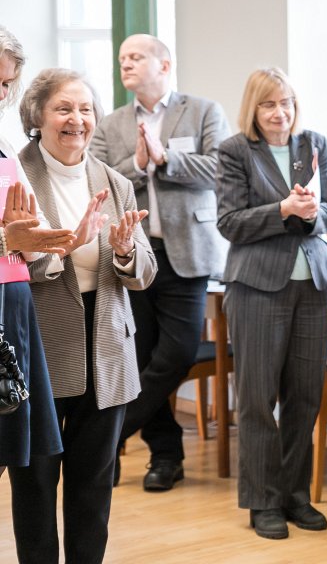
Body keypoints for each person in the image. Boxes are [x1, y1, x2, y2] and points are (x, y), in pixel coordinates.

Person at [9, 68, 157, 564]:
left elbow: (144, 270)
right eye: (64, 109)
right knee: (36, 485)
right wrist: (60, 251)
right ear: (38, 117)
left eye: (86, 109)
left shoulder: (114, 181)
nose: (77, 120)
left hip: (108, 347)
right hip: (40, 346)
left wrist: (121, 253)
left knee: (94, 487)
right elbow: (9, 264)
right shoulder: (15, 177)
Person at [89, 33, 230, 491]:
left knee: (177, 353)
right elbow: (99, 180)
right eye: (122, 59)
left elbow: (221, 170)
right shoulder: (110, 124)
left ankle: (104, 441)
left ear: (164, 65)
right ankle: (165, 457)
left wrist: (166, 158)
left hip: (188, 254)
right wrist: (139, 162)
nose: (125, 64)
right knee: (143, 354)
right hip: (133, 255)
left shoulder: (203, 110)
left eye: (135, 57)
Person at [216, 67, 327, 540]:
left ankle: (296, 495)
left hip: (315, 284)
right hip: (256, 286)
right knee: (257, 398)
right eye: (269, 104)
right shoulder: (235, 152)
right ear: (254, 108)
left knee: (305, 397)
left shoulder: (313, 144)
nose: (280, 112)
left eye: (287, 102)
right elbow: (230, 222)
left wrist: (312, 215)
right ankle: (262, 501)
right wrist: (282, 210)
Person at [0, 26, 76, 480]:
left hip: (12, 305)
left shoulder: (3, 144)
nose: (0, 93)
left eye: (6, 83)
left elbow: (32, 228)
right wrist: (9, 241)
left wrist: (64, 237)